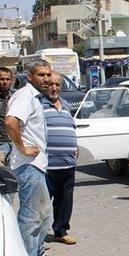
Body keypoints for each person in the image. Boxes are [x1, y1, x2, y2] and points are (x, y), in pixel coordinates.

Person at [5, 60, 64, 256]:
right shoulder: (26, 96)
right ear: (29, 77)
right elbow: (10, 121)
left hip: (36, 164)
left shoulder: (34, 97)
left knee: (44, 214)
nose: (47, 79)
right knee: (32, 215)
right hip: (27, 165)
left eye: (48, 75)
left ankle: (36, 253)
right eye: (41, 75)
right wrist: (22, 148)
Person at [42, 71, 78, 245]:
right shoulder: (38, 105)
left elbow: (71, 128)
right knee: (41, 204)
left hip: (67, 164)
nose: (54, 88)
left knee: (64, 201)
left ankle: (60, 231)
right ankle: (36, 239)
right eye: (50, 84)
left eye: (57, 84)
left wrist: (75, 146)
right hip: (46, 165)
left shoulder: (65, 104)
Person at [0, 67, 14, 166]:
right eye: (2, 79)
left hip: (15, 144)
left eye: (8, 79)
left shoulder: (16, 96)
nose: (5, 82)